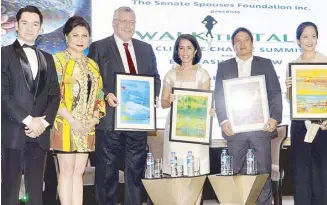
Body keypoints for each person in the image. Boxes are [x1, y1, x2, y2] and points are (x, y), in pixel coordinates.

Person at [88, 6, 161, 205]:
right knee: (107, 174)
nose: (128, 26)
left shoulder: (146, 48)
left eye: (132, 22)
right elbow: (92, 81)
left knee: (135, 174)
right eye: (123, 21)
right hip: (110, 121)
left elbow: (155, 78)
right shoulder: (99, 47)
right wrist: (105, 95)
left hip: (138, 122)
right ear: (114, 23)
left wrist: (152, 96)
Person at [214, 27, 283, 205]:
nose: (242, 44)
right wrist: (223, 120)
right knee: (235, 175)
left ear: (252, 43)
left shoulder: (266, 64)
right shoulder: (224, 66)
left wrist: (275, 118)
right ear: (233, 45)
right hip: (235, 131)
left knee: (263, 176)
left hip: (261, 129)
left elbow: (275, 93)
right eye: (238, 40)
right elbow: (219, 96)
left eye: (246, 40)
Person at [1, 5, 60, 205]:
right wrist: (28, 120)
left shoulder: (48, 58)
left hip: (39, 134)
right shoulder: (4, 54)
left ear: (41, 28)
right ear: (16, 25)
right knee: (9, 191)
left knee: (36, 193)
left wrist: (42, 124)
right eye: (24, 23)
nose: (29, 28)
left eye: (35, 24)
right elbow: (3, 94)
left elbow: (55, 95)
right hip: (13, 132)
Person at [50, 16, 106, 205]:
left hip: (87, 127)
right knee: (66, 172)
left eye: (84, 35)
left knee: (79, 172)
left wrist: (94, 119)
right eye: (75, 35)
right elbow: (53, 96)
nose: (80, 40)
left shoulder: (92, 65)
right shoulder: (57, 61)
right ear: (66, 37)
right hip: (65, 124)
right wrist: (72, 121)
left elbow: (100, 96)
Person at [285, 21, 327, 205]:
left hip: (322, 125)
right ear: (298, 40)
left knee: (321, 173)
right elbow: (291, 99)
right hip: (300, 126)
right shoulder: (292, 65)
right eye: (305, 36)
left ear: (317, 39)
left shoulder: (325, 62)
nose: (310, 40)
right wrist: (289, 88)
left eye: (313, 36)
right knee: (301, 172)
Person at [162, 34, 215, 177]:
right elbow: (163, 103)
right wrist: (170, 100)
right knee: (175, 172)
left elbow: (206, 103)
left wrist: (209, 109)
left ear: (195, 51)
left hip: (195, 130)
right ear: (177, 51)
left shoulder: (203, 74)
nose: (185, 52)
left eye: (189, 48)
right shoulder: (170, 74)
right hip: (175, 129)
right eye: (181, 48)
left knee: (196, 173)